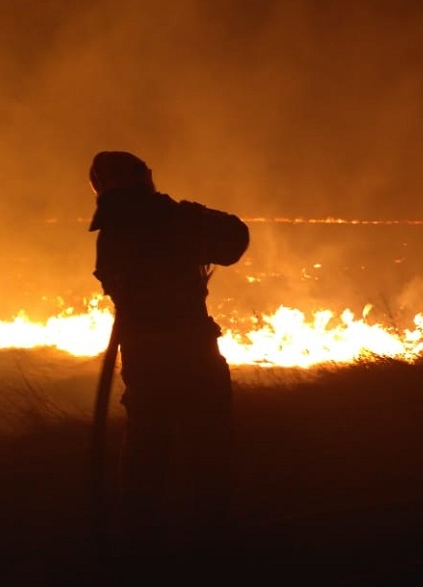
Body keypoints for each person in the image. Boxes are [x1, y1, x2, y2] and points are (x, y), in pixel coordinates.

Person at [87, 151, 249, 565]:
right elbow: (234, 238)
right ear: (145, 178)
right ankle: (213, 544)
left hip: (147, 359)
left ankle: (141, 549)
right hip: (192, 353)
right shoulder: (174, 218)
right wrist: (191, 218)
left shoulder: (112, 232)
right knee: (208, 449)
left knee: (146, 452)